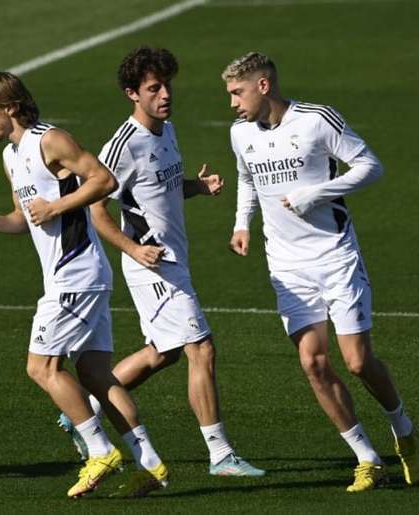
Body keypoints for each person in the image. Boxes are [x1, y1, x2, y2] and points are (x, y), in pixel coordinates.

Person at [57, 46, 266, 479]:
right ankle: (220, 454)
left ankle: (81, 408)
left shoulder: (166, 130)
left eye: (167, 85)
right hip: (152, 266)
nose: (165, 94)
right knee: (201, 349)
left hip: (175, 260)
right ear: (133, 93)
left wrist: (197, 187)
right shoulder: (122, 147)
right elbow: (96, 211)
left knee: (162, 353)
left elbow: (157, 191)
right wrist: (133, 250)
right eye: (154, 88)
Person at [222, 52, 419, 492]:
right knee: (313, 363)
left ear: (263, 86)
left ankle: (403, 429)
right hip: (287, 265)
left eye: (237, 93)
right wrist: (242, 224)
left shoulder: (317, 120)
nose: (233, 103)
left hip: (335, 256)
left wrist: (318, 193)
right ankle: (367, 458)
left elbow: (371, 166)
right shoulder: (241, 133)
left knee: (356, 362)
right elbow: (246, 177)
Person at [0, 71, 168, 499]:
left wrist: (56, 205)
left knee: (41, 367)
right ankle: (151, 464)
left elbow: (104, 180)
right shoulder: (11, 155)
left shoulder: (50, 140)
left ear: (9, 107)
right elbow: (26, 216)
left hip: (75, 275)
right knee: (95, 374)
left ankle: (99, 450)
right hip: (79, 276)